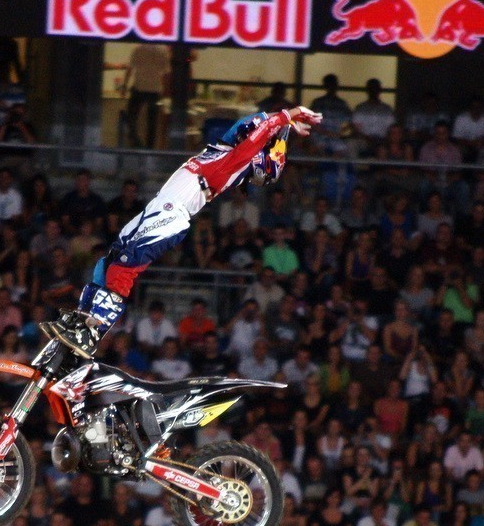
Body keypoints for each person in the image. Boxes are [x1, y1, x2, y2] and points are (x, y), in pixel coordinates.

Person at [48, 106, 322, 358]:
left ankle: (93, 331)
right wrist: (282, 124)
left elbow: (256, 132)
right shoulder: (222, 149)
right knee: (108, 261)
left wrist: (288, 115)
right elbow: (247, 124)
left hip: (173, 214)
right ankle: (81, 319)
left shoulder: (237, 162)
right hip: (159, 206)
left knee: (125, 266)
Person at [124, 44, 170, 149]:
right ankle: (150, 147)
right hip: (155, 89)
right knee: (152, 122)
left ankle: (135, 143)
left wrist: (124, 85)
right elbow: (166, 72)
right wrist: (165, 90)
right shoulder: (162, 50)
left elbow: (130, 68)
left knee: (131, 118)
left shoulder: (138, 48)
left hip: (139, 87)